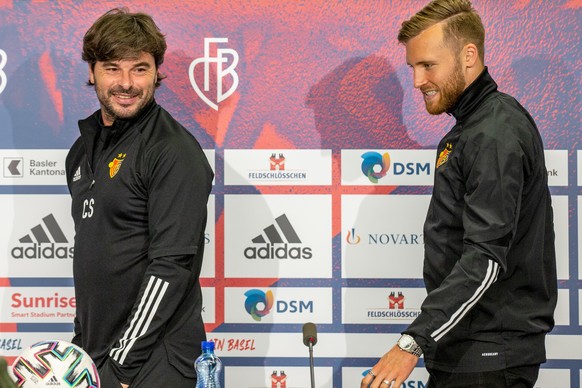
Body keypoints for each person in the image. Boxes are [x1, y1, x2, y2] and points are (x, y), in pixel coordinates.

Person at [361, 1, 557, 387]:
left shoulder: (494, 131)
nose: (417, 81)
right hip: (468, 350)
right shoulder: (472, 128)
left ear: (469, 56)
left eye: (428, 65)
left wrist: (412, 342)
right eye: (413, 68)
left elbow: (485, 258)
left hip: (488, 355)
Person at [65, 8, 213, 388]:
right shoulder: (81, 153)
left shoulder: (172, 151)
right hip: (96, 359)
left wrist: (123, 366)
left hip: (152, 363)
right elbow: (95, 257)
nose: (126, 83)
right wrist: (81, 349)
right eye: (113, 68)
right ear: (92, 71)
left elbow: (172, 266)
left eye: (140, 68)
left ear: (157, 72)